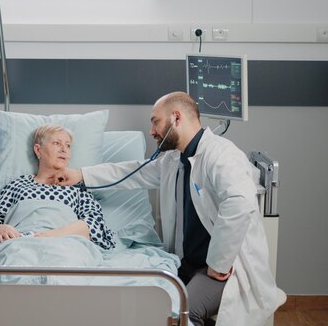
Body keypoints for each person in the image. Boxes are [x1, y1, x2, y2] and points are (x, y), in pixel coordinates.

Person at [56, 92, 285, 326]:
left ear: (176, 118)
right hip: (187, 263)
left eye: (155, 121)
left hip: (221, 271)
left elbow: (240, 203)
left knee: (181, 315)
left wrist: (218, 263)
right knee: (147, 306)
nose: (151, 131)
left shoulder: (222, 155)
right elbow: (133, 172)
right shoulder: (175, 159)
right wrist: (81, 174)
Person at [0, 124, 116, 250]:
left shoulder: (78, 188)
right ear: (38, 150)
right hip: (19, 244)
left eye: (68, 145)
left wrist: (54, 235)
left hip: (65, 245)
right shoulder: (17, 185)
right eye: (57, 143)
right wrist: (0, 229)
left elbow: (94, 225)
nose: (64, 149)